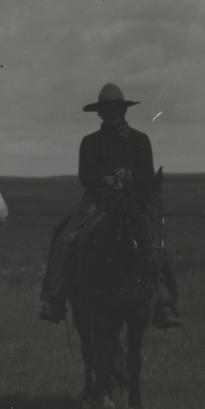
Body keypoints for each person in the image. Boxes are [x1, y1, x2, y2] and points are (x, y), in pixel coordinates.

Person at [38, 83, 183, 328]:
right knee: (67, 239)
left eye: (116, 109)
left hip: (134, 200)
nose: (113, 114)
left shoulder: (140, 140)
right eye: (107, 110)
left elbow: (147, 173)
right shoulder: (90, 142)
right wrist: (104, 179)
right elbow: (85, 175)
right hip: (99, 200)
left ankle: (166, 304)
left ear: (124, 112)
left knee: (156, 244)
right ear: (100, 114)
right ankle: (55, 298)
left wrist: (129, 175)